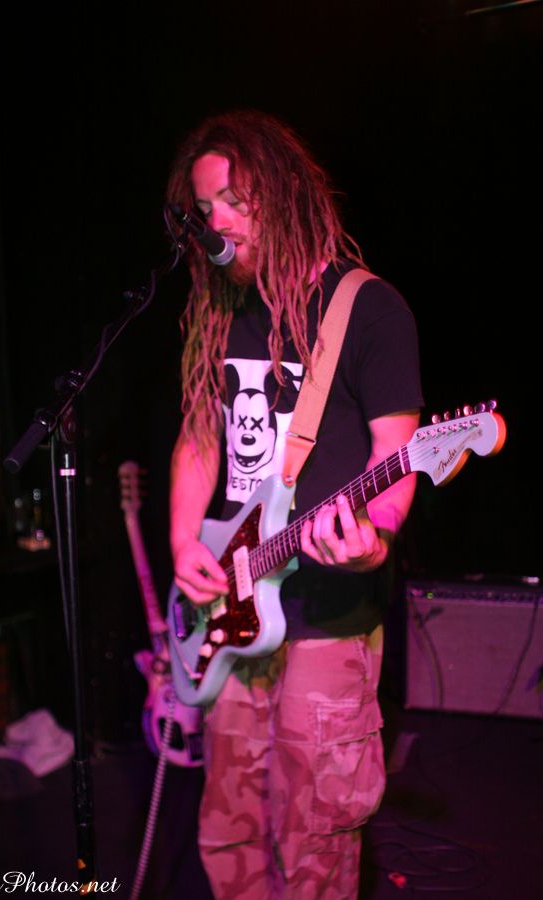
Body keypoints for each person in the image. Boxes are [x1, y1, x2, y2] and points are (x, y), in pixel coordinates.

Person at [166, 109, 423, 899]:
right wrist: (184, 544)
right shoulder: (221, 309)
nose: (217, 222)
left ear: (281, 192)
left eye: (234, 200)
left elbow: (397, 459)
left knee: (314, 845)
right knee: (230, 832)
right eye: (204, 208)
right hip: (232, 610)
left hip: (328, 623)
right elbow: (198, 438)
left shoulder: (368, 309)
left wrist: (374, 539)